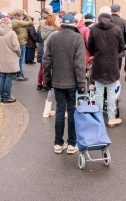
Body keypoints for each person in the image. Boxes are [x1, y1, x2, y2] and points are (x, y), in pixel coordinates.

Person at [42, 13, 87, 154]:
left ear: (61, 23)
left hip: (57, 81)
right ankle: (72, 144)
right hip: (73, 82)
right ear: (74, 23)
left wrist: (47, 79)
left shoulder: (54, 37)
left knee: (60, 111)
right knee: (72, 112)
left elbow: (46, 61)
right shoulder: (77, 38)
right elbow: (79, 64)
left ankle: (58, 143)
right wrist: (82, 83)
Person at [88, 6, 125, 127]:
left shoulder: (93, 29)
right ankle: (111, 118)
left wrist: (97, 53)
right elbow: (121, 46)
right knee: (111, 91)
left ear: (99, 15)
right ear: (110, 15)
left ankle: (98, 118)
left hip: (98, 62)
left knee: (98, 91)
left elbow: (90, 46)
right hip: (112, 63)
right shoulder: (117, 29)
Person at [0, 18, 20, 103]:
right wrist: (19, 54)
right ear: (8, 24)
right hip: (11, 58)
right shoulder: (11, 33)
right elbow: (16, 46)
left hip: (3, 58)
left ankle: (2, 96)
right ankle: (6, 96)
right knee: (9, 78)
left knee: (2, 77)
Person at [40, 14, 59, 116]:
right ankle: (61, 111)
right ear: (53, 21)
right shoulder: (55, 33)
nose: (59, 21)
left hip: (48, 59)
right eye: (57, 20)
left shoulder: (46, 30)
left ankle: (47, 110)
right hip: (54, 60)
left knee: (52, 87)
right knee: (57, 87)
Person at [11, 9, 33, 81]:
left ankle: (15, 73)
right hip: (21, 42)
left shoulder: (13, 20)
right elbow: (30, 22)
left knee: (15, 59)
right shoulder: (20, 22)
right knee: (20, 59)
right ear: (22, 16)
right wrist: (27, 14)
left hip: (15, 42)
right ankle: (19, 75)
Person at [111, 4, 126, 70]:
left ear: (111, 11)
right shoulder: (125, 22)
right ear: (119, 11)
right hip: (118, 51)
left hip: (104, 52)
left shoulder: (104, 22)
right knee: (116, 72)